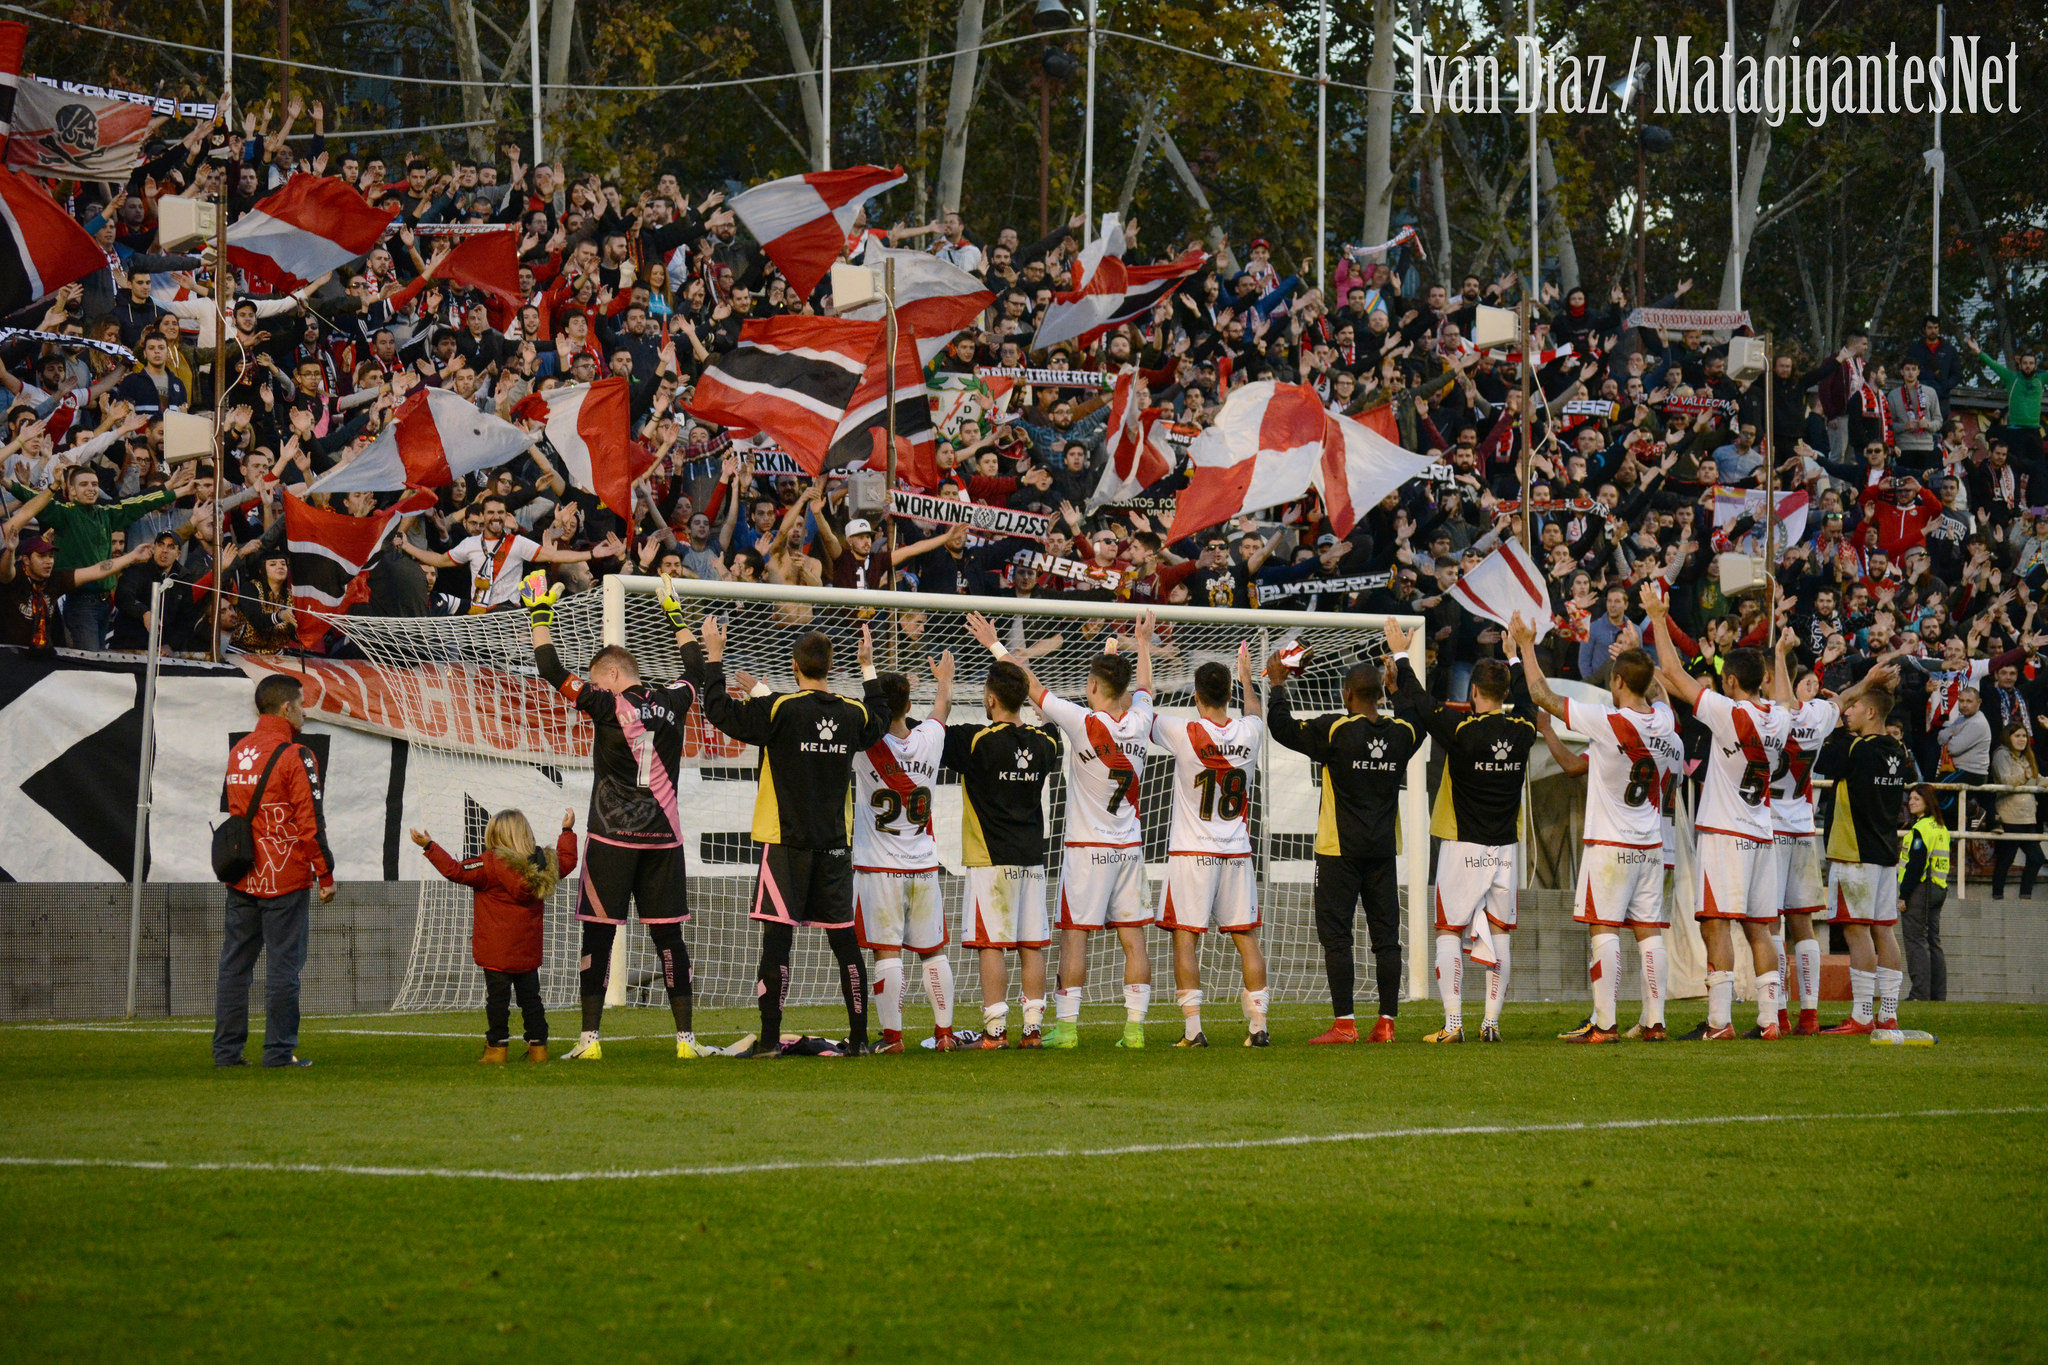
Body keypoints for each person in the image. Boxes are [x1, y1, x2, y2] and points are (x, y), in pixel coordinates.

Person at [522, 574, 707, 1060]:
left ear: (609, 675)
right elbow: (696, 666)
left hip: (612, 837)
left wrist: (541, 616)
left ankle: (590, 1040)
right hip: (664, 838)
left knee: (599, 933)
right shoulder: (674, 700)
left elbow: (549, 666)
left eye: (595, 673)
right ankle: (686, 1041)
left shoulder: (606, 704)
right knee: (668, 935)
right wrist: (674, 613)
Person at [693, 616, 892, 1056]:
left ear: (794, 666)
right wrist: (869, 668)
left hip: (785, 846)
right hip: (834, 848)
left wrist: (715, 658)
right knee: (845, 944)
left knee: (778, 943)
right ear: (832, 666)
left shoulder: (780, 710)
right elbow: (880, 717)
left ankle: (768, 1040)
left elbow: (720, 711)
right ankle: (859, 1039)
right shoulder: (851, 713)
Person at [967, 608, 1158, 1050]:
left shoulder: (1079, 720)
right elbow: (1145, 687)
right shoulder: (1143, 717)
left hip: (1087, 850)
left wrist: (995, 645)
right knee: (1134, 939)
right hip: (1129, 846)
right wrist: (1143, 643)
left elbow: (1029, 688)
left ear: (1092, 686)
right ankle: (1134, 1031)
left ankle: (1068, 1029)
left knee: (1076, 938)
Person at [1511, 614, 1680, 1044]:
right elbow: (1659, 694)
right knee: (1648, 934)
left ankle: (1604, 1022)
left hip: (1610, 844)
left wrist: (1527, 646)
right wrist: (1640, 649)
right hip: (1651, 845)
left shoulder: (1609, 723)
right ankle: (1654, 1021)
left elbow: (1540, 694)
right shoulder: (1668, 725)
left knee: (1603, 930)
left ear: (1619, 681)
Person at [1644, 591, 1793, 1040]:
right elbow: (1784, 700)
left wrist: (1657, 617)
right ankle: (1769, 1022)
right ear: (1763, 680)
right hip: (1761, 833)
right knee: (1759, 928)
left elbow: (1673, 673)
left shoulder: (1728, 712)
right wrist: (1781, 660)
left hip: (1725, 832)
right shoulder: (1780, 720)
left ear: (1729, 681)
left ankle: (1719, 1022)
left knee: (1714, 922)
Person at [1387, 615, 1537, 1043]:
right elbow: (1530, 701)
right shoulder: (1523, 731)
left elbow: (1417, 700)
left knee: (1449, 932)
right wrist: (1514, 654)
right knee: (1501, 935)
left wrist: (1402, 654)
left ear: (1472, 692)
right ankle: (1491, 1023)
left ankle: (1453, 1024)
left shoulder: (1460, 731)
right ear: (1504, 693)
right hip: (1505, 849)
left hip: (1461, 846)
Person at [1265, 643, 1420, 1045]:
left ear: (1347, 695)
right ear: (1382, 694)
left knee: (1337, 936)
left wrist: (1278, 686)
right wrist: (1399, 688)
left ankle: (1345, 1023)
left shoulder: (1336, 729)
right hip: (1383, 851)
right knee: (1386, 937)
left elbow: (1282, 729)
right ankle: (1386, 1023)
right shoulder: (1402, 735)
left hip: (1339, 851)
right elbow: (1414, 716)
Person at [939, 655, 1062, 1049]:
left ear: (990, 699)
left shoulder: (974, 739)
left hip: (989, 860)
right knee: (1031, 943)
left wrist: (945, 684)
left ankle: (994, 1033)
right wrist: (1008, 658)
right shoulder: (1046, 744)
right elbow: (1051, 714)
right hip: (1031, 859)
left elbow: (929, 732)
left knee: (990, 943)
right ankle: (1032, 1031)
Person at [1150, 645, 1270, 1047]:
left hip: (1192, 854)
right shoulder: (1250, 732)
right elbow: (1255, 712)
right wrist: (1248, 676)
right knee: (1245, 937)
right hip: (1236, 852)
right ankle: (1258, 1026)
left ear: (1195, 697)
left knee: (1185, 936)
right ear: (1230, 696)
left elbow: (1136, 717)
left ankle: (1193, 1030)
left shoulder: (1182, 732)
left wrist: (1142, 650)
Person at [213, 674, 334, 1069]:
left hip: (242, 874)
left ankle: (227, 1054)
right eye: (301, 703)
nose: (304, 710)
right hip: (283, 877)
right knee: (284, 968)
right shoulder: (297, 755)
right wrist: (325, 874)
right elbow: (309, 823)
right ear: (286, 708)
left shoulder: (240, 750)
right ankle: (278, 1053)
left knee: (235, 966)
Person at [850, 655, 959, 1053]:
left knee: (887, 951)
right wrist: (943, 679)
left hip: (880, 867)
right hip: (924, 865)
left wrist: (866, 669)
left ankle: (893, 1039)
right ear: (909, 706)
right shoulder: (931, 738)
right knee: (932, 951)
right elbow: (942, 708)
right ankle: (945, 1033)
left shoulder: (865, 746)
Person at [413, 807, 578, 1063]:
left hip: (496, 952)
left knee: (498, 1002)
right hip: (527, 952)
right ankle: (538, 1049)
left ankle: (497, 1049)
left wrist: (429, 846)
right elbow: (567, 861)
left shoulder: (489, 864)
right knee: (531, 1001)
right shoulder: (543, 865)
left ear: (495, 835)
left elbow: (455, 871)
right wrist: (567, 831)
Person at [1815, 667, 1913, 1034]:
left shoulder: (1855, 748)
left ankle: (1861, 1015)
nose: (1846, 712)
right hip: (1886, 855)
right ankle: (1888, 1012)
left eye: (1852, 707)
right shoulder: (1899, 750)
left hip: (1854, 855)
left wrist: (1833, 721)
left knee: (1857, 933)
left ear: (1870, 712)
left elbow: (1823, 759)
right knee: (1885, 932)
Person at [1897, 784, 1950, 1003]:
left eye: (1917, 798)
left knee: (1915, 941)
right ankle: (1937, 995)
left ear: (1928, 801)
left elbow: (1916, 864)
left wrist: (1904, 895)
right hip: (1939, 887)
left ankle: (1919, 994)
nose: (1911, 802)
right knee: (1933, 941)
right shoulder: (1940, 827)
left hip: (1921, 889)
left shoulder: (1921, 829)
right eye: (1910, 798)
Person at [1988, 724, 2047, 902]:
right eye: (2017, 736)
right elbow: (2006, 779)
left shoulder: (2027, 757)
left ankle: (2024, 898)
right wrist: (2024, 777)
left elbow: (2037, 779)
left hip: (2028, 816)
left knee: (2036, 858)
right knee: (2006, 858)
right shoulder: (2001, 754)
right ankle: (1997, 897)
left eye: (2024, 736)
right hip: (2010, 815)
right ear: (2008, 737)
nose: (2022, 739)